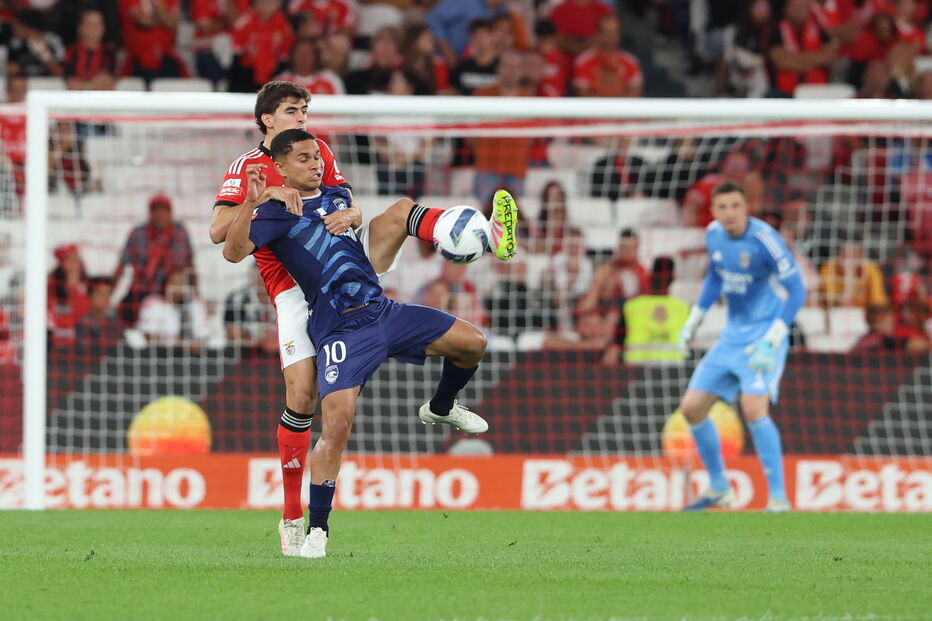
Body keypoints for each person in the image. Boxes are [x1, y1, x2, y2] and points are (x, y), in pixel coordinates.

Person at [209, 82, 518, 557]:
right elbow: (221, 236)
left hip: (352, 268)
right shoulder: (249, 171)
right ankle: (296, 517)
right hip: (295, 288)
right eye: (292, 111)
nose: (303, 119)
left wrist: (352, 212)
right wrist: (264, 194)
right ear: (268, 120)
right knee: (303, 397)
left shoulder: (319, 153)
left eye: (306, 111)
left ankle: (482, 235)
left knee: (397, 213)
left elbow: (342, 200)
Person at [678, 181, 806, 513]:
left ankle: (778, 499)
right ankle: (719, 487)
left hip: (763, 336)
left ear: (746, 206)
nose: (729, 213)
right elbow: (716, 277)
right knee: (691, 408)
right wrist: (695, 319)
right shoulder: (713, 235)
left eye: (735, 206)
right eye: (722, 207)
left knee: (753, 410)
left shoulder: (765, 239)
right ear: (714, 210)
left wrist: (773, 339)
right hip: (731, 337)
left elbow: (797, 291)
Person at [114, 193, 194, 325]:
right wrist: (108, 291)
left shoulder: (180, 232)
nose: (160, 215)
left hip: (169, 292)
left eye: (164, 210)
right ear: (149, 213)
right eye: (156, 210)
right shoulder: (138, 233)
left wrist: (195, 293)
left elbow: (190, 265)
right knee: (121, 317)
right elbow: (121, 266)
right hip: (140, 290)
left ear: (170, 213)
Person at [47, 244, 89, 347]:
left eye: (77, 260)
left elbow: (85, 313)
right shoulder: (53, 287)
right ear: (61, 264)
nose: (75, 264)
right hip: (57, 341)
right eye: (70, 260)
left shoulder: (85, 286)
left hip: (80, 341)